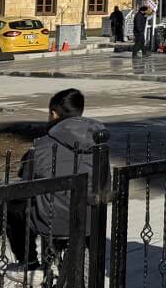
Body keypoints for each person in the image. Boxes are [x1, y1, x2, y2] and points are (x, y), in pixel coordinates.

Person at [16, 88, 109, 255]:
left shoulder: (42, 144)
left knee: (11, 208)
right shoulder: (98, 142)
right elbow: (105, 184)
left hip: (49, 220)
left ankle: (29, 262)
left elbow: (25, 185)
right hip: (90, 219)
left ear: (53, 113)